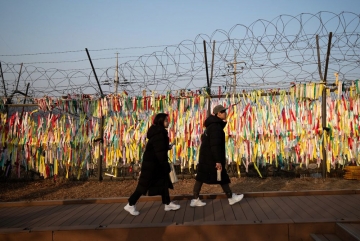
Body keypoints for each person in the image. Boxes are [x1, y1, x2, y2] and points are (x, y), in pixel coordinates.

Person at [124, 113, 180, 216]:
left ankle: (167, 203)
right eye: (166, 120)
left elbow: (158, 148)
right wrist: (165, 165)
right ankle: (130, 204)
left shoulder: (158, 132)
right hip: (152, 165)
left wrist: (166, 147)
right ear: (161, 122)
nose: (168, 122)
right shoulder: (159, 134)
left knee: (163, 183)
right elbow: (159, 153)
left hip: (155, 164)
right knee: (143, 185)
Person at [190, 105, 244, 207]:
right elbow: (215, 145)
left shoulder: (213, 125)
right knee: (218, 176)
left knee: (203, 177)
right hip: (211, 157)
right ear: (218, 114)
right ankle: (230, 197)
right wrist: (218, 160)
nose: (225, 113)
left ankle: (195, 198)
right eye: (223, 111)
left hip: (207, 156)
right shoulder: (215, 127)